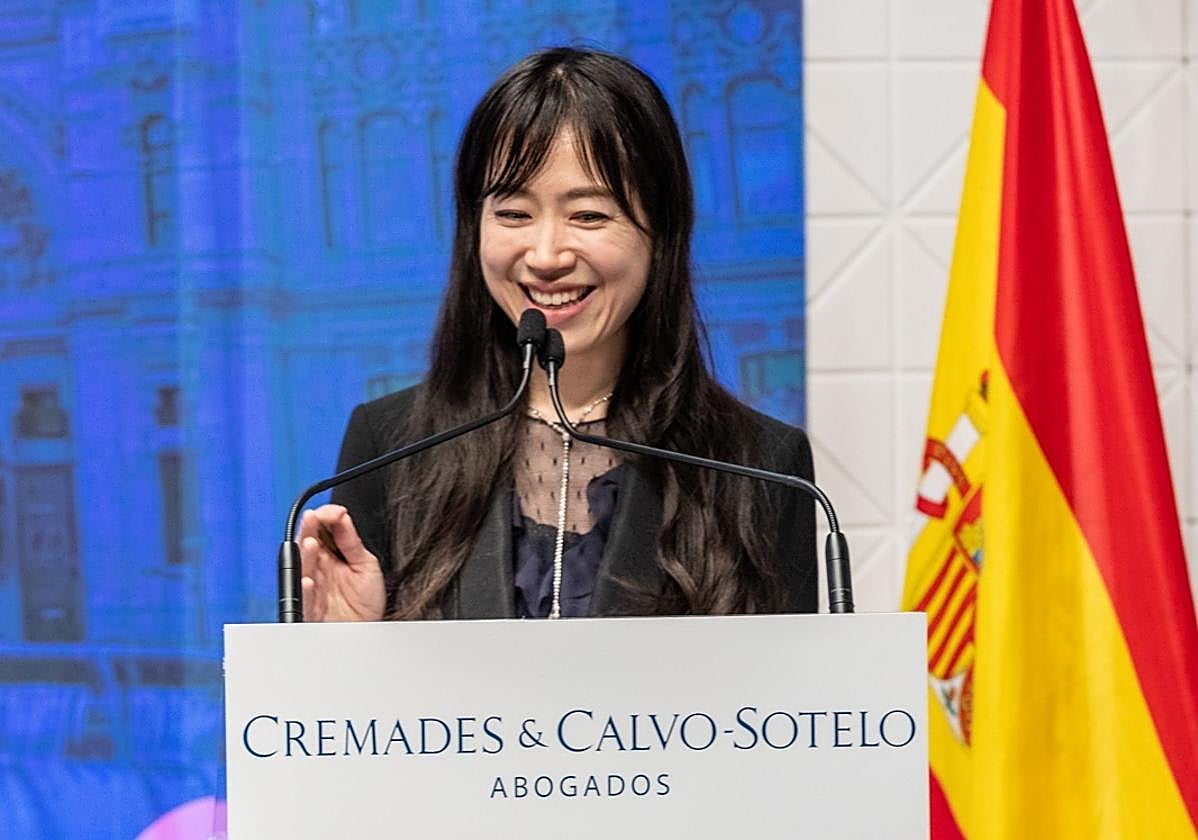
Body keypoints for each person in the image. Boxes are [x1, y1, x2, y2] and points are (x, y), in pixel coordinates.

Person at [299, 46, 817, 622]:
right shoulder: (387, 447)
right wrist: (346, 649)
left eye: (589, 216)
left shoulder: (760, 465)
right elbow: (353, 710)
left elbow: (789, 707)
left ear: (662, 232)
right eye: (514, 214)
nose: (545, 256)